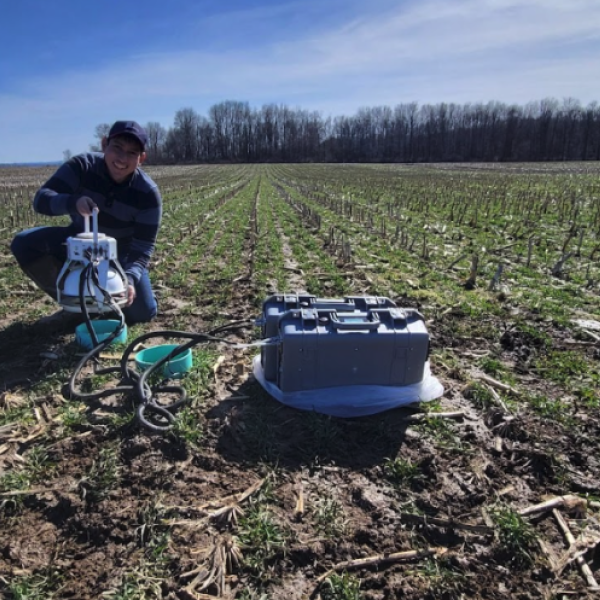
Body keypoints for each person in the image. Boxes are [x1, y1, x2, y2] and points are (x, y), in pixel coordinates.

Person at [11, 120, 162, 324]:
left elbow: (143, 248)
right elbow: (41, 200)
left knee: (142, 313)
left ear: (141, 158)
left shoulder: (148, 194)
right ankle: (75, 304)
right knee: (24, 243)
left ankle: (105, 302)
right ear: (104, 144)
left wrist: (130, 279)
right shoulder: (82, 167)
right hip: (79, 244)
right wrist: (72, 202)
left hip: (121, 253)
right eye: (117, 148)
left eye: (132, 153)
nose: (122, 158)